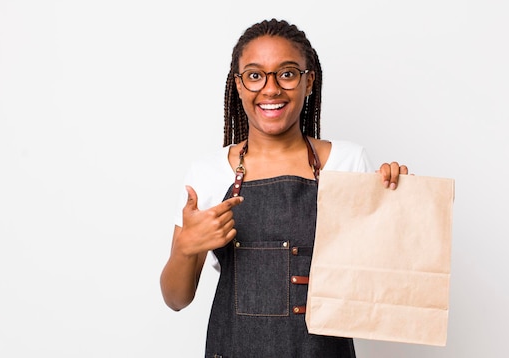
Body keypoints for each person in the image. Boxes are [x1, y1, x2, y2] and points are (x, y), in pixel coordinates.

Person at [160, 18, 409, 357]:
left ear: (309, 82)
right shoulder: (207, 172)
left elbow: (378, 284)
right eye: (255, 74)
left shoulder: (349, 162)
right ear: (238, 85)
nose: (271, 88)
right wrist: (186, 248)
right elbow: (176, 299)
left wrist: (393, 199)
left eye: (287, 73)